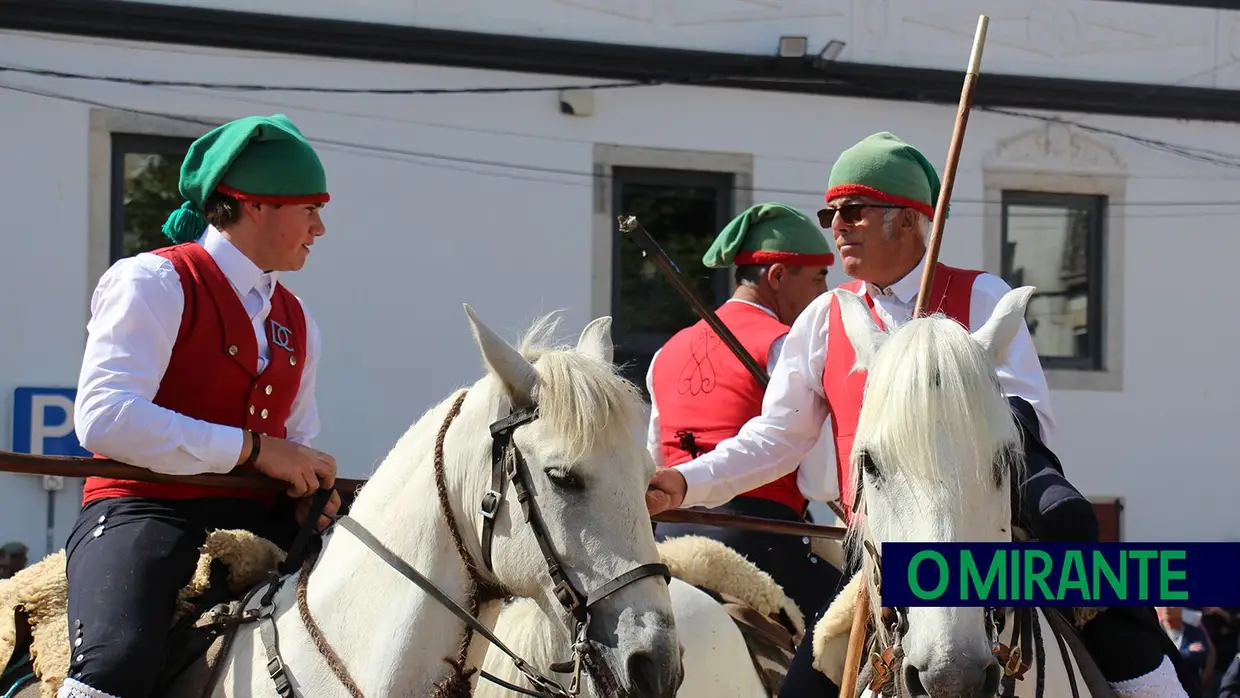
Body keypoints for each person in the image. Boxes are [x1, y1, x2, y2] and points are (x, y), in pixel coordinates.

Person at [644, 132, 1189, 697]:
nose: (837, 226)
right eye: (830, 212)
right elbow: (777, 438)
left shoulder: (981, 295)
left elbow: (1033, 425)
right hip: (885, 558)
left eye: (853, 211)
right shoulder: (824, 318)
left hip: (989, 543)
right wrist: (685, 482)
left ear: (908, 220)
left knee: (1134, 651)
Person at [60, 114, 342, 698]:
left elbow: (296, 445)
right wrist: (255, 450)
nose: (319, 227)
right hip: (146, 508)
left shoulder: (301, 321)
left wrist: (308, 495)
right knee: (115, 664)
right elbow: (104, 418)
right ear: (254, 205)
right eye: (309, 207)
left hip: (260, 518)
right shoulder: (152, 281)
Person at [646, 202, 841, 621]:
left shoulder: (666, 351)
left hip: (669, 531)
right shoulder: (788, 345)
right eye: (818, 277)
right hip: (759, 538)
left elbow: (656, 458)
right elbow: (821, 477)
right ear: (776, 276)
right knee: (869, 623)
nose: (824, 293)